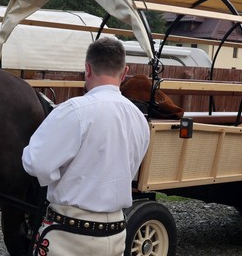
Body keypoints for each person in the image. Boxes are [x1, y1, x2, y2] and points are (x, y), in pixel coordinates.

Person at [22, 37, 150, 256]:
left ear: (87, 68)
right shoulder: (139, 118)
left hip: (69, 235)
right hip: (116, 234)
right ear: (125, 71)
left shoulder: (73, 111)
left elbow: (36, 164)